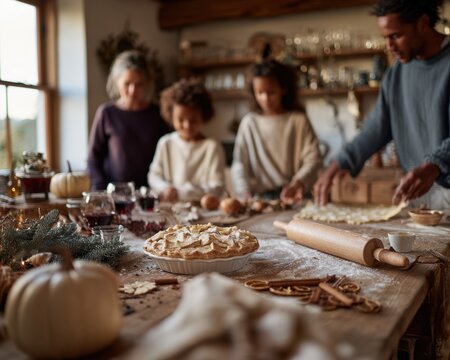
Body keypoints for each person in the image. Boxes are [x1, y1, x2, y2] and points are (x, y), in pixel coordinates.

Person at [314, 0, 450, 209]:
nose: (389, 46)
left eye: (396, 36)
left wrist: (434, 166)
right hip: (418, 192)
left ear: (423, 22)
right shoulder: (396, 74)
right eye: (385, 38)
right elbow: (376, 129)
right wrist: (341, 162)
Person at [231, 59, 322, 203]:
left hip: (295, 196)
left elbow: (314, 159)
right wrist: (244, 190)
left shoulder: (298, 120)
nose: (265, 98)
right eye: (259, 92)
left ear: (284, 89)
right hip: (260, 199)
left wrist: (298, 182)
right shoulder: (249, 123)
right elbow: (239, 164)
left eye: (271, 92)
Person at [87, 50, 170, 190]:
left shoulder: (157, 114)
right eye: (127, 83)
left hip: (150, 194)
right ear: (117, 81)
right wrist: (100, 190)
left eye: (139, 84)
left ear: (147, 83)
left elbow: (168, 154)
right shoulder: (107, 113)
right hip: (114, 196)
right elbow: (93, 158)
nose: (132, 90)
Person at [148, 78, 226, 202]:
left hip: (205, 213)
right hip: (170, 210)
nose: (187, 125)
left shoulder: (212, 147)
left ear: (203, 116)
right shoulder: (165, 143)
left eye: (193, 120)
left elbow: (217, 187)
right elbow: (153, 176)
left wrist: (181, 193)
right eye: (180, 119)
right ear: (171, 116)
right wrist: (165, 188)